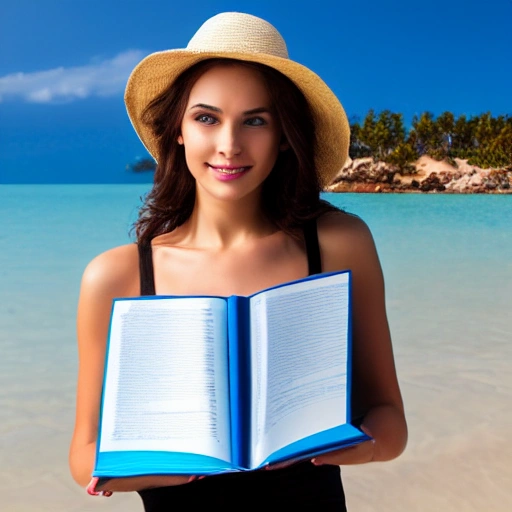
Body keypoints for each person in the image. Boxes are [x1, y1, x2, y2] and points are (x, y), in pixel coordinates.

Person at [69, 12, 407, 510]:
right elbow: (84, 454)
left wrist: (355, 446)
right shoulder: (117, 276)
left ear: (284, 134)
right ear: (178, 129)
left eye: (256, 120)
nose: (229, 144)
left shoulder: (337, 244)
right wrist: (155, 472)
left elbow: (390, 421)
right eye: (206, 117)